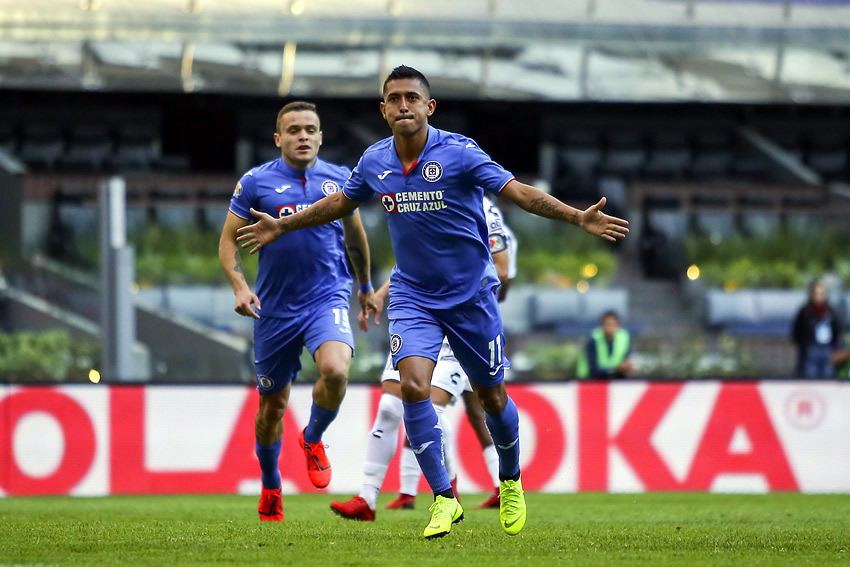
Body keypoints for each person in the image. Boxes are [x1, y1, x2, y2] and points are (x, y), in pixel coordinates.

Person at [236, 65, 629, 539]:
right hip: (413, 296)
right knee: (413, 389)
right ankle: (444, 499)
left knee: (491, 396)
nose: (403, 105)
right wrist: (284, 223)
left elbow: (519, 193)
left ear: (429, 106)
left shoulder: (460, 153)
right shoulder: (374, 161)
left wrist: (575, 217)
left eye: (412, 98)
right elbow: (340, 204)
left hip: (470, 296)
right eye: (394, 98)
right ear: (383, 110)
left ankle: (510, 480)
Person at [218, 101, 377, 523]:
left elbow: (355, 236)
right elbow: (228, 242)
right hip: (273, 309)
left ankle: (313, 437)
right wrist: (239, 287)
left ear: (321, 136)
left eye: (310, 129)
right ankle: (271, 485)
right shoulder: (255, 182)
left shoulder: (341, 179)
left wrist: (364, 288)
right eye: (293, 130)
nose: (302, 136)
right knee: (272, 406)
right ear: (278, 138)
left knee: (337, 371)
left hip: (327, 297)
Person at [328, 196, 515, 522]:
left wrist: (463, 298)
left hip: (462, 318)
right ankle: (368, 498)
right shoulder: (419, 199)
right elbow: (413, 265)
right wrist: (379, 294)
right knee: (392, 406)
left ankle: (463, 487)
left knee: (461, 406)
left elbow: (501, 272)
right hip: (417, 315)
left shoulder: (483, 208)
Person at [791, 278, 844, 378]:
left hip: (827, 350)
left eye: (822, 293)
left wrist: (835, 349)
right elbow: (797, 332)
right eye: (817, 293)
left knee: (828, 378)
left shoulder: (831, 312)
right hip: (811, 350)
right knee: (811, 378)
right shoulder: (805, 312)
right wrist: (804, 347)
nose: (819, 296)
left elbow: (837, 332)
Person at [576, 311, 636, 379]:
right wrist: (616, 369)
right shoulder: (594, 340)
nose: (610, 328)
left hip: (615, 379)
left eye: (613, 325)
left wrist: (628, 366)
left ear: (618, 326)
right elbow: (593, 370)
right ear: (601, 326)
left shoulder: (624, 338)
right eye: (607, 324)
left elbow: (626, 358)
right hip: (592, 381)